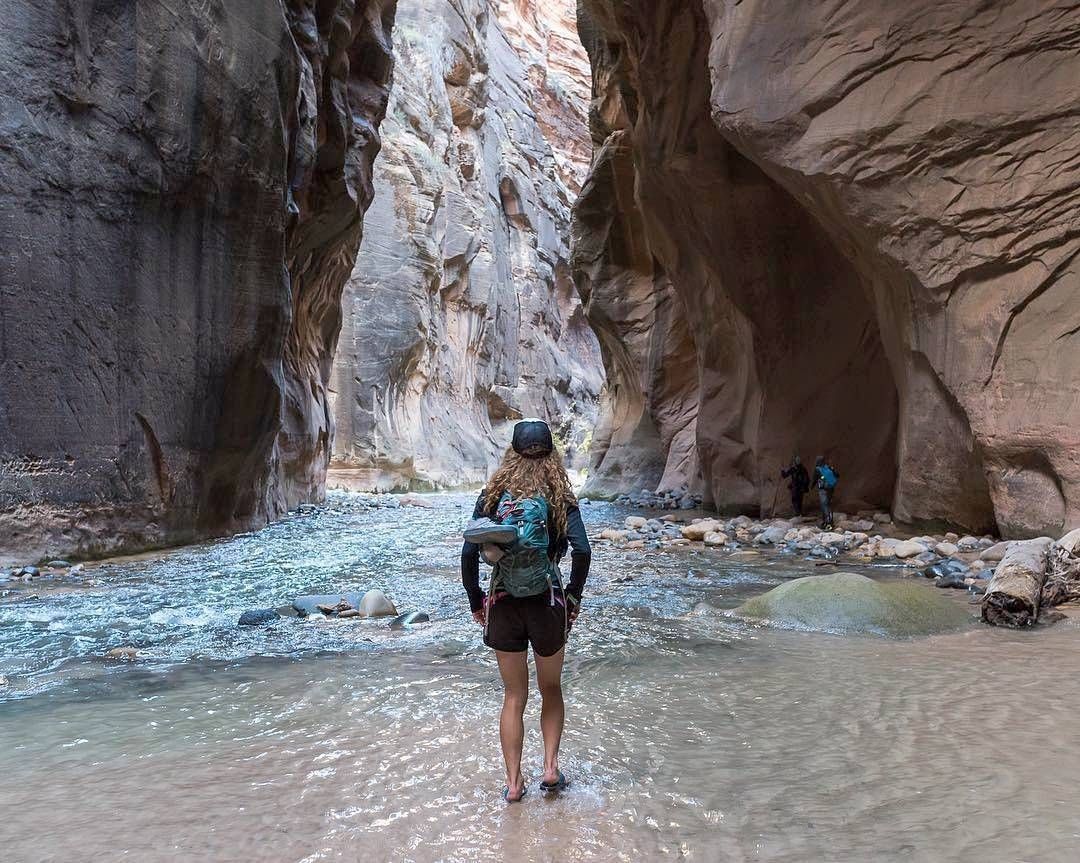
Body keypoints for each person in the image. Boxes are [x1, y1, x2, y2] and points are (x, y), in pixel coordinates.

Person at [461, 419, 591, 803]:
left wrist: (476, 601)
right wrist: (573, 598)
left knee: (514, 695)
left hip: (504, 604)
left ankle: (515, 784)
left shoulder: (493, 495)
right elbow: (583, 552)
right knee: (551, 688)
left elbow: (468, 552)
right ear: (552, 453)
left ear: (512, 453)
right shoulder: (559, 496)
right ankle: (550, 770)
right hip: (547, 603)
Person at [813, 455, 839, 529]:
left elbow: (815, 479)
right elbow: (837, 475)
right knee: (829, 505)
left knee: (824, 505)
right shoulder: (829, 468)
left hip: (823, 489)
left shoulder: (817, 469)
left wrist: (811, 486)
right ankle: (830, 522)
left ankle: (827, 523)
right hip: (831, 489)